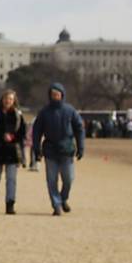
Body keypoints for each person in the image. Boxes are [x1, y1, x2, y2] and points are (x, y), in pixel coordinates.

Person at [32, 82, 84, 216]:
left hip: (66, 149)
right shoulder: (44, 112)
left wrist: (81, 146)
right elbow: (37, 131)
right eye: (53, 94)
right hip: (50, 149)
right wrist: (36, 149)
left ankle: (63, 198)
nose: (55, 96)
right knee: (51, 179)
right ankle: (56, 204)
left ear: (62, 95)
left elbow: (79, 128)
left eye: (57, 94)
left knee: (69, 178)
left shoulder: (70, 110)